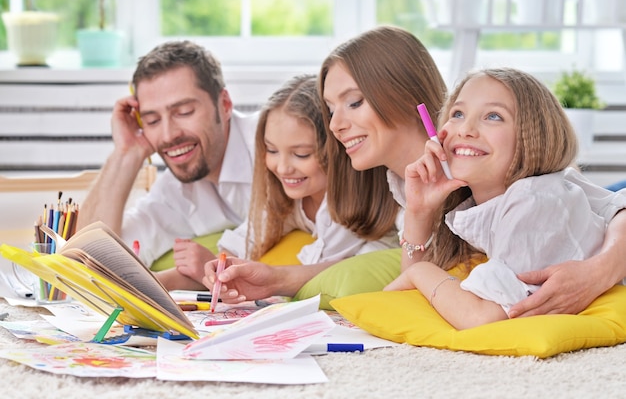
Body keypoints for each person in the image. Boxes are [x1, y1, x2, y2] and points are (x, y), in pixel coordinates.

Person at [203, 25, 626, 317]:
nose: (334, 124)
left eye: (353, 103)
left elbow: (597, 201)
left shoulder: (497, 172)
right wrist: (275, 279)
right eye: (330, 108)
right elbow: (387, 266)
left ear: (407, 97)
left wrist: (602, 268)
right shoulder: (387, 181)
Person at [384, 68, 626, 329]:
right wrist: (418, 212)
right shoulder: (506, 200)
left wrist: (419, 273)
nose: (465, 129)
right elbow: (414, 298)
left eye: (493, 116)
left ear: (532, 136)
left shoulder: (535, 198)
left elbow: (483, 317)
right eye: (457, 113)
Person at [157, 74, 396, 289]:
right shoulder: (287, 200)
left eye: (301, 154)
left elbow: (330, 269)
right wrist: (158, 281)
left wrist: (223, 270)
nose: (282, 168)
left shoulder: (351, 207)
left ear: (338, 150)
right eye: (271, 150)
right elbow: (240, 247)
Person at [76, 41, 258, 288]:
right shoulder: (176, 189)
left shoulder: (277, 144)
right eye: (151, 120)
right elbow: (89, 256)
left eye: (183, 112)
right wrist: (127, 154)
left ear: (224, 104)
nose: (168, 135)